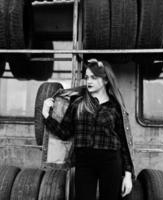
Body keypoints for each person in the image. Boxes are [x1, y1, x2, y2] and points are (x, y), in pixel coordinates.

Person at [42, 59, 134, 200]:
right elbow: (65, 133)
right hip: (84, 161)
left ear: (105, 80)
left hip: (111, 161)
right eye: (86, 77)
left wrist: (127, 175)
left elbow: (123, 142)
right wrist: (46, 115)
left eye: (93, 77)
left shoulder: (115, 106)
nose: (88, 81)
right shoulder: (78, 103)